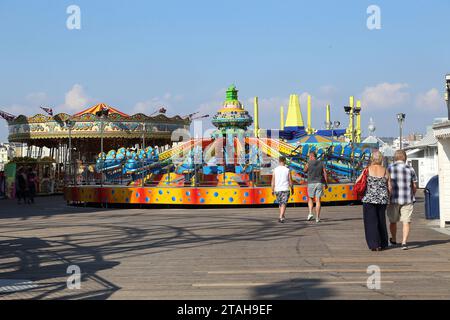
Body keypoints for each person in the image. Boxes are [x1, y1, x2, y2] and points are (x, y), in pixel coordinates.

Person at [356, 150, 390, 251]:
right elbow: (390, 186)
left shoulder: (367, 169)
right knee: (381, 221)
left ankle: (374, 244)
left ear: (372, 159)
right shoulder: (385, 170)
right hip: (382, 199)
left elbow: (357, 181)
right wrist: (390, 198)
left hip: (369, 199)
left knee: (370, 222)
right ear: (381, 159)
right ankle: (383, 243)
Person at [387, 150, 417, 250]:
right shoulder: (410, 169)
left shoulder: (389, 168)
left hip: (393, 199)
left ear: (395, 157)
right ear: (405, 158)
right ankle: (404, 242)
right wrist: (413, 194)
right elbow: (414, 186)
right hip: (407, 198)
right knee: (406, 221)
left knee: (393, 221)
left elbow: (387, 184)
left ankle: (394, 240)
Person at [304, 151, 328, 223]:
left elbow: (304, 170)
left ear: (311, 156)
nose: (309, 157)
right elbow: (325, 173)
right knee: (318, 200)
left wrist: (306, 165)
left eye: (309, 156)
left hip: (311, 183)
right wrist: (326, 183)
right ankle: (317, 217)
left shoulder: (308, 163)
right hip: (319, 183)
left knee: (310, 198)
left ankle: (310, 213)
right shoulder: (321, 163)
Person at [271, 156, 294, 223]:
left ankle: (282, 216)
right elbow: (290, 180)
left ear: (279, 161)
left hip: (277, 189)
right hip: (285, 188)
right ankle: (281, 217)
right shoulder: (287, 170)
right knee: (284, 203)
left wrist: (272, 189)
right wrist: (292, 188)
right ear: (285, 161)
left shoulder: (275, 170)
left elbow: (273, 180)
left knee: (281, 203)